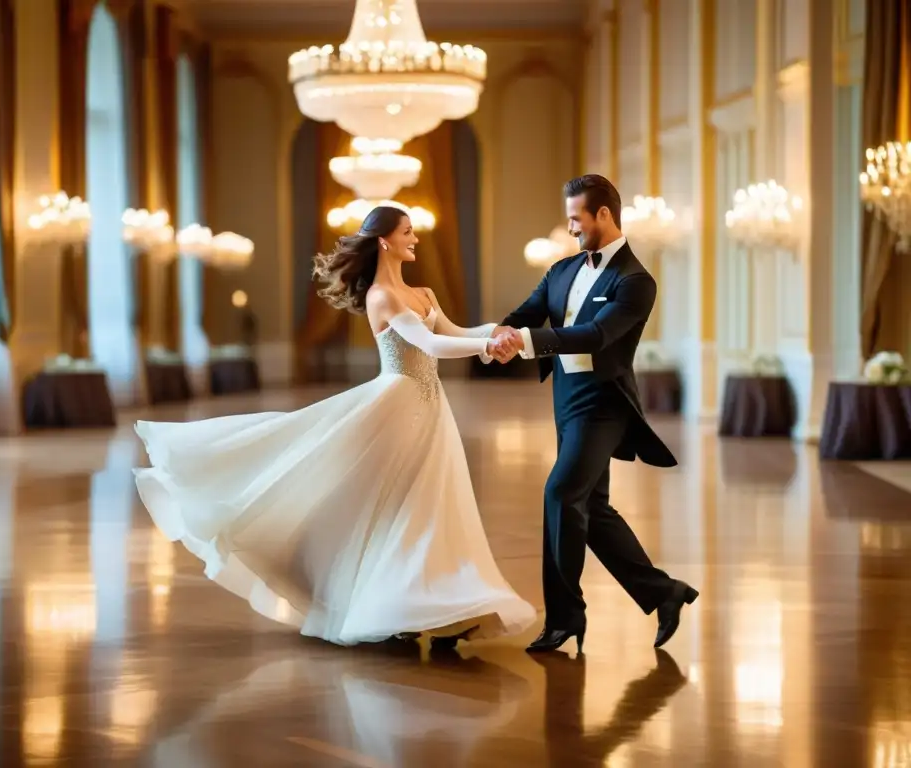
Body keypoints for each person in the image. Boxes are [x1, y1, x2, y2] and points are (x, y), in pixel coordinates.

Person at [134, 205, 536, 649]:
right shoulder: (382, 297)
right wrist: (486, 345)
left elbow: (454, 329)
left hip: (430, 407)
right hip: (396, 407)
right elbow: (429, 343)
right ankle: (397, 609)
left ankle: (438, 608)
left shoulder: (423, 292)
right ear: (385, 241)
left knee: (428, 504)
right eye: (407, 232)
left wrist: (501, 333)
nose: (415, 239)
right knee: (396, 506)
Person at [487, 174, 697, 654]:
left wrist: (525, 343)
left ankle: (564, 617)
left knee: (561, 492)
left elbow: (597, 335)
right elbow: (525, 313)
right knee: (591, 508)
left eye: (576, 218)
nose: (571, 227)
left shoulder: (636, 281)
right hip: (566, 398)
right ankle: (665, 594)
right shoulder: (560, 271)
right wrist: (500, 333)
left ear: (604, 214)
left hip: (604, 405)